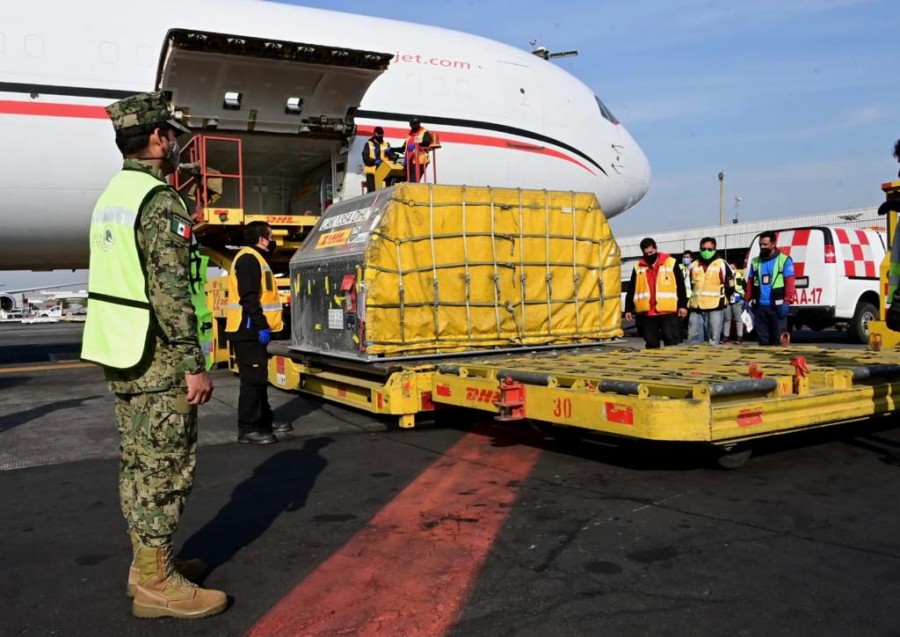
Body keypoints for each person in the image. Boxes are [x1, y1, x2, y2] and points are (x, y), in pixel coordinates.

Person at [80, 91, 227, 619]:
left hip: (120, 349)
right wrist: (193, 361)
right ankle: (156, 582)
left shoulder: (113, 193)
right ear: (160, 138)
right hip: (157, 355)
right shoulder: (159, 199)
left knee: (139, 463)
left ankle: (145, 566)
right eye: (171, 132)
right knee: (166, 468)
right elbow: (168, 288)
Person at [224, 221, 291, 444]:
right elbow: (249, 297)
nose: (272, 241)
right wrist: (261, 324)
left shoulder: (255, 258)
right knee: (252, 380)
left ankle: (263, 420)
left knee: (259, 378)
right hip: (248, 329)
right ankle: (248, 428)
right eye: (270, 237)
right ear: (262, 239)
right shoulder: (248, 259)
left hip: (252, 328)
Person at [624, 237, 688, 349]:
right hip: (648, 312)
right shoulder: (638, 267)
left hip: (667, 311)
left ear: (656, 249)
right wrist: (628, 309)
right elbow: (632, 289)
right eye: (646, 253)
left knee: (671, 341)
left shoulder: (671, 263)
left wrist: (683, 306)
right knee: (651, 344)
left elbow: (680, 286)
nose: (649, 255)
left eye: (651, 252)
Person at [744, 231, 796, 345]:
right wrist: (746, 299)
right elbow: (750, 282)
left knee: (778, 340)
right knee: (763, 342)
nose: (762, 247)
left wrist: (787, 302)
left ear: (773, 244)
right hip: (760, 308)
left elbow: (790, 284)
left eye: (765, 244)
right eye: (760, 244)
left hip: (777, 308)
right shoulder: (755, 261)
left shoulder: (785, 260)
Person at [687, 237, 734, 345]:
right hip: (696, 307)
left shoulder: (722, 264)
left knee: (713, 339)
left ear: (715, 249)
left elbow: (730, 285)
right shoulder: (694, 264)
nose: (706, 252)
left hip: (715, 307)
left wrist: (725, 299)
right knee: (693, 339)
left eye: (709, 249)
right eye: (703, 249)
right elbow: (690, 284)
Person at [361, 126, 397, 192]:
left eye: (382, 133)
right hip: (372, 172)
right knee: (372, 192)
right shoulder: (368, 144)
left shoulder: (386, 144)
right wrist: (375, 161)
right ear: (374, 134)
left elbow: (392, 157)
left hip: (384, 171)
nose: (380, 135)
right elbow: (365, 158)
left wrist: (392, 155)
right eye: (379, 133)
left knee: (385, 191)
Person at [721, 262, 746, 344]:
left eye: (733, 268)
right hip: (727, 299)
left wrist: (745, 298)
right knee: (727, 319)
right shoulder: (724, 276)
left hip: (738, 300)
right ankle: (725, 337)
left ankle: (739, 337)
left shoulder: (740, 276)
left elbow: (745, 288)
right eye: (730, 268)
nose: (731, 270)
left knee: (738, 319)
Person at [405, 117, 433, 182]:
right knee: (410, 180)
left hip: (420, 160)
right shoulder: (410, 134)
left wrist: (416, 144)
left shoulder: (424, 132)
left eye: (415, 124)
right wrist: (392, 149)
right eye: (412, 125)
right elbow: (405, 147)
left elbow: (426, 142)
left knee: (414, 180)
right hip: (411, 161)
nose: (413, 126)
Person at [679, 249, 694, 342]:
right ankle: (680, 335)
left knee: (691, 318)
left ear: (691, 259)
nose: (685, 259)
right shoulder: (679, 268)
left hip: (692, 296)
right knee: (681, 317)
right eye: (684, 257)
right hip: (682, 296)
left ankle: (690, 335)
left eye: (687, 257)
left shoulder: (694, 268)